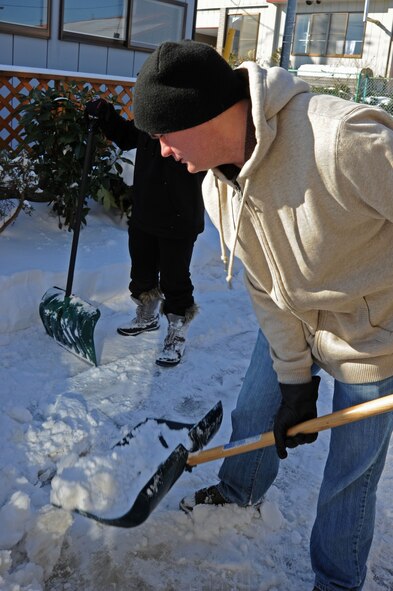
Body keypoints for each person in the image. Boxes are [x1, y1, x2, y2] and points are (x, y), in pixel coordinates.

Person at [132, 40, 393, 591]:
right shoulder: (217, 192)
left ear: (201, 116)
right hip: (297, 315)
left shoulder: (340, 139)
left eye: (164, 134)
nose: (160, 151)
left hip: (375, 335)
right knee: (257, 408)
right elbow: (268, 292)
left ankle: (337, 582)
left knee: (351, 474)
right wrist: (295, 380)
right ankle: (239, 490)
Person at [85, 97, 205, 366]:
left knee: (175, 279)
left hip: (179, 216)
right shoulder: (150, 120)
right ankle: (147, 316)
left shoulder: (195, 122)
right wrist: (106, 115)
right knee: (141, 273)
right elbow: (127, 136)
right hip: (145, 212)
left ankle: (176, 330)